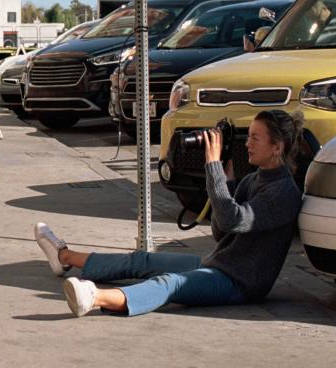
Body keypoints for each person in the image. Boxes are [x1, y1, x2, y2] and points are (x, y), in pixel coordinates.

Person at [35, 110, 303, 317]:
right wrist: (227, 182)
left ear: (277, 147)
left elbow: (234, 219)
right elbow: (222, 232)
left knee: (169, 283)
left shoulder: (283, 193)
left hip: (239, 283)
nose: (247, 144)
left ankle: (93, 298)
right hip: (219, 264)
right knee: (143, 261)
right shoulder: (253, 180)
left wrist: (213, 168)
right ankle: (64, 257)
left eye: (256, 137)